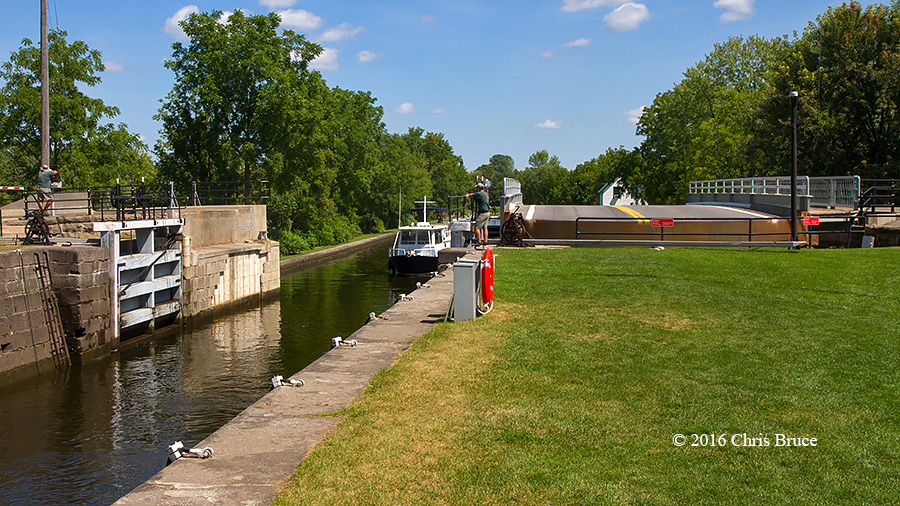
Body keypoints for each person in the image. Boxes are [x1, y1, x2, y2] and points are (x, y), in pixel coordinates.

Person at [465, 183, 490, 248]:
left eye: (477, 188)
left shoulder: (480, 194)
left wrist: (467, 195)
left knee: (476, 227)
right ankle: (485, 241)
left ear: (478, 188)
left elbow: (472, 195)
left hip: (482, 213)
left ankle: (479, 242)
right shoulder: (485, 194)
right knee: (485, 227)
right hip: (487, 212)